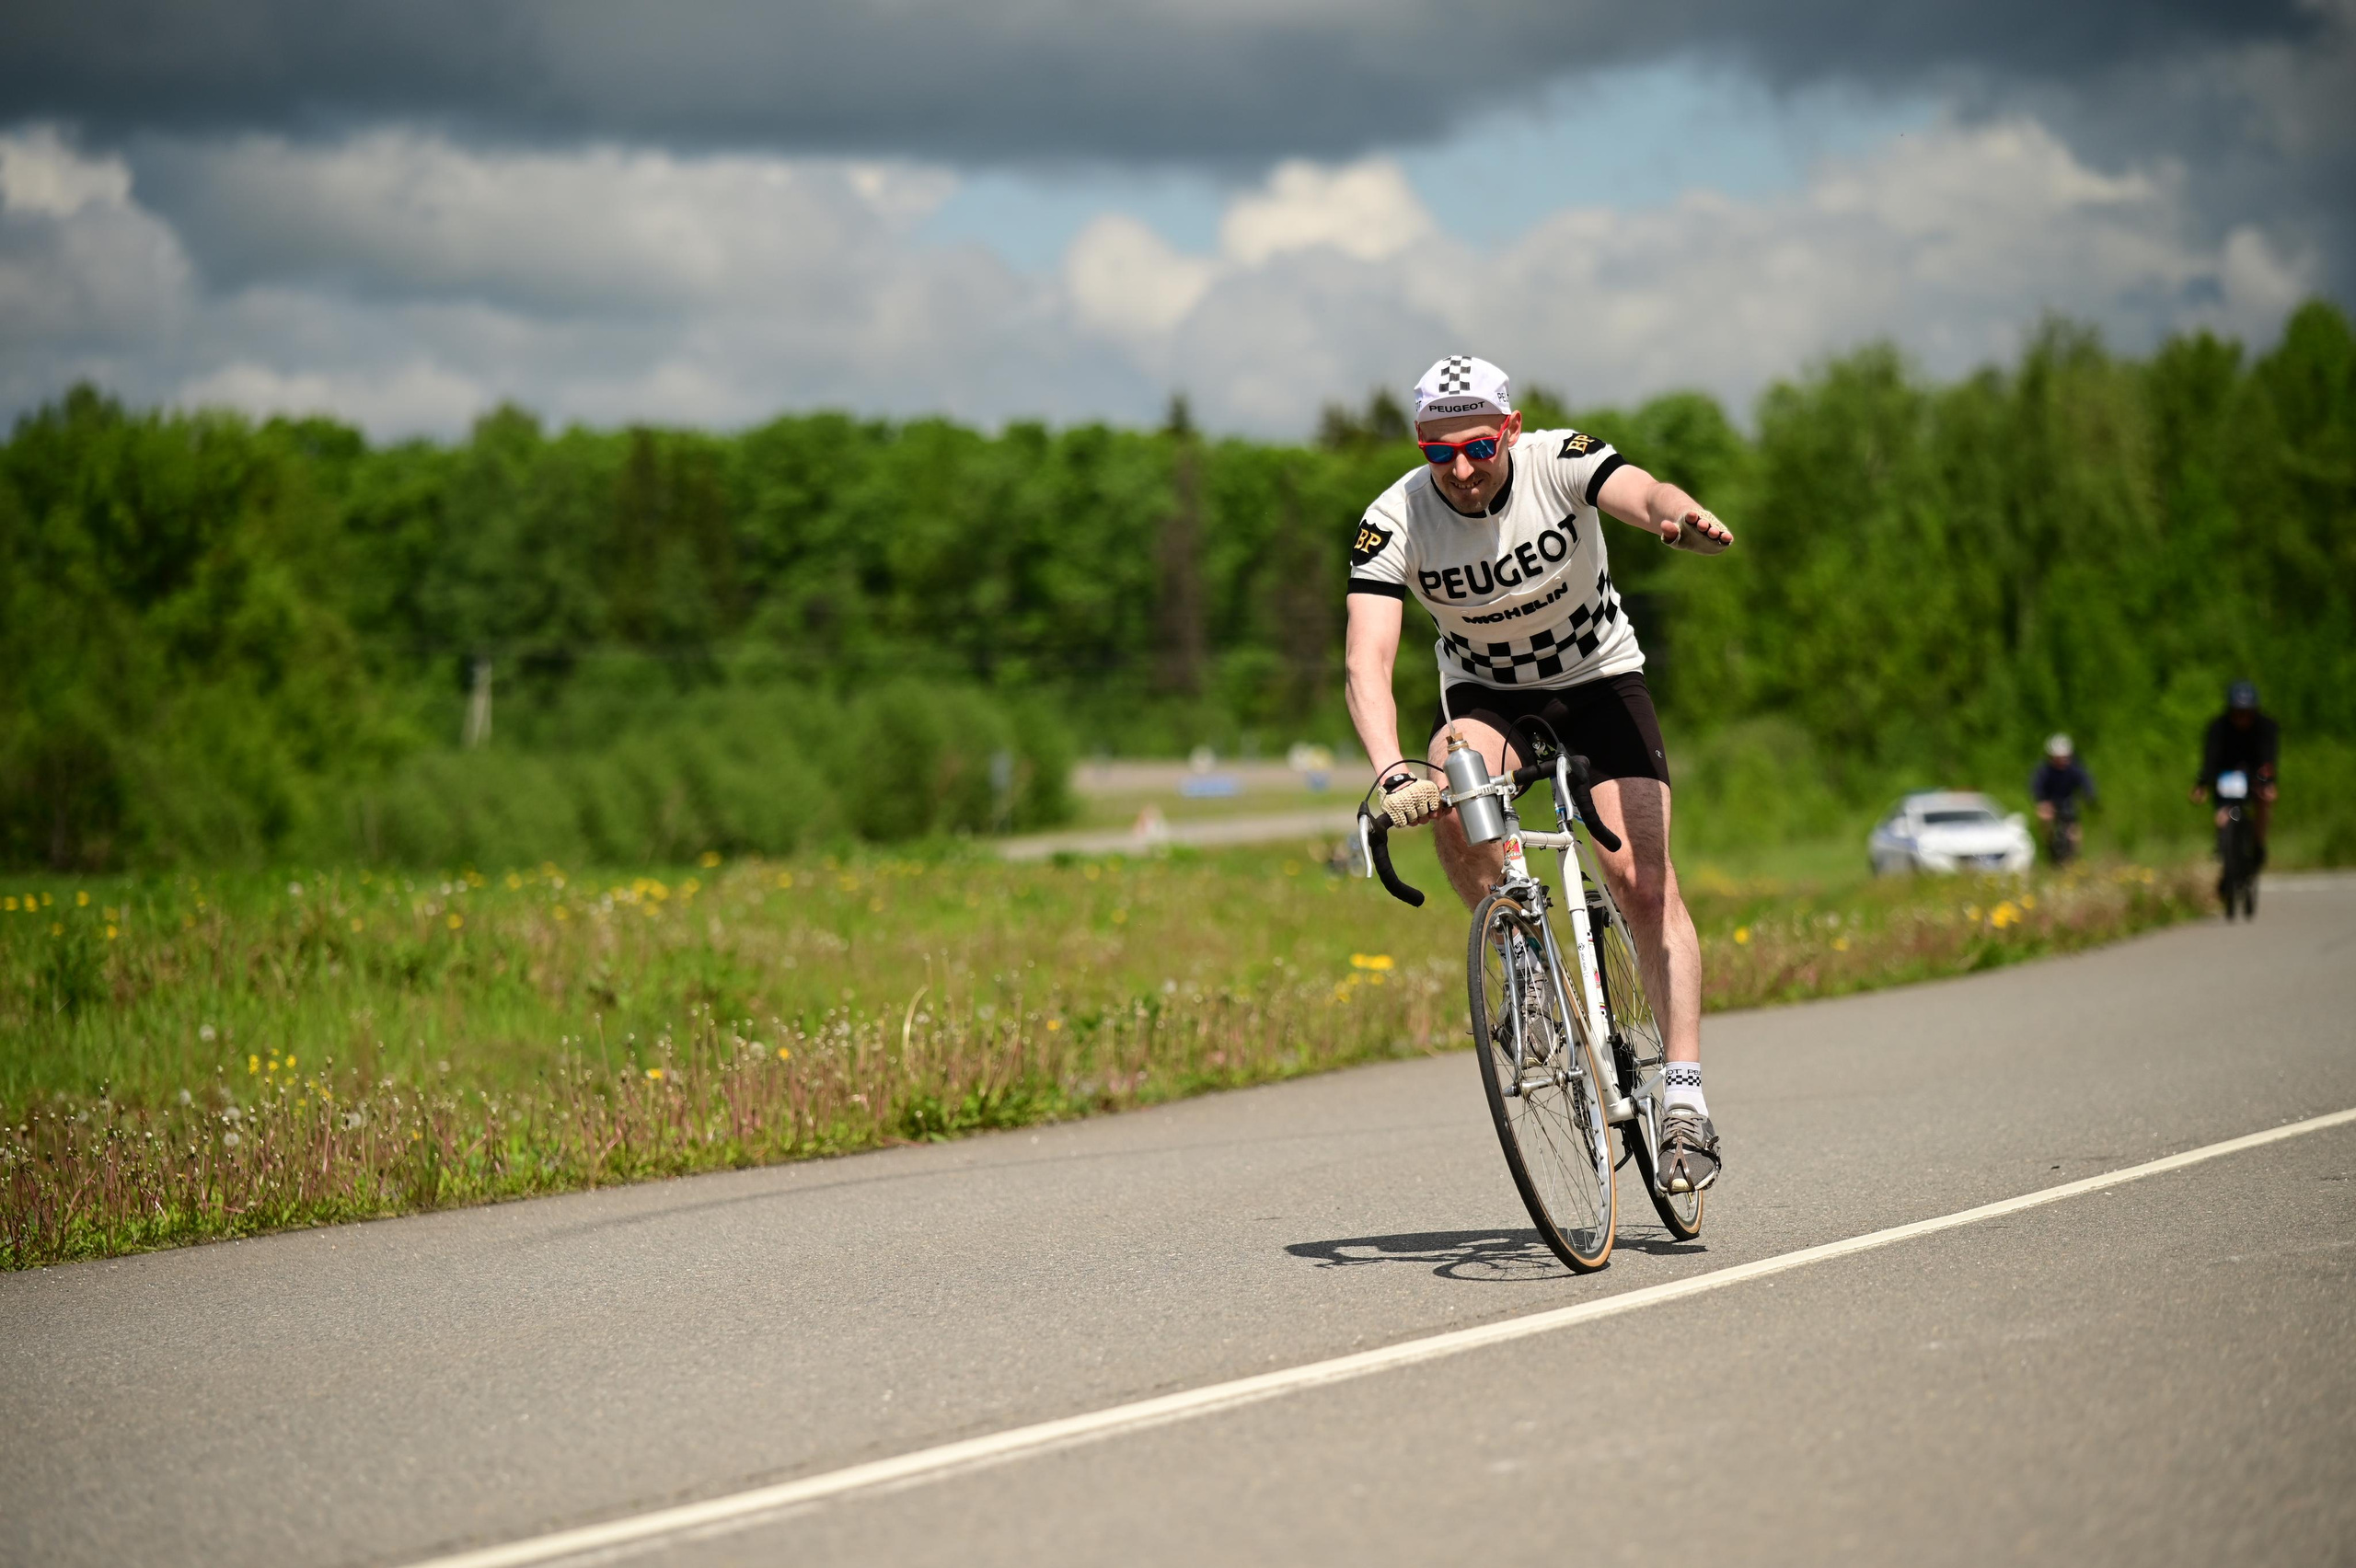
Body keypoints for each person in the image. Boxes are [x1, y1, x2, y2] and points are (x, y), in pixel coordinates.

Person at [1344, 354, 1734, 1195]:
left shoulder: (1559, 461)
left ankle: (1686, 1102)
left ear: (1510, 431)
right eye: (1438, 451)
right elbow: (1365, 663)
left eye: (1479, 447)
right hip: (1489, 696)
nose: (1460, 468)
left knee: (1641, 882)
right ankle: (1521, 950)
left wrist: (1679, 515)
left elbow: (1642, 490)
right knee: (1453, 779)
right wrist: (1388, 773)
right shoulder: (1395, 517)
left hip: (1600, 682)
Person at [2193, 679, 2280, 869]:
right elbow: (2210, 758)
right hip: (2226, 773)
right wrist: (2202, 784)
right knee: (2223, 813)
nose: (2242, 718)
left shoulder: (2266, 726)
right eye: (2237, 713)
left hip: (2255, 771)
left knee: (2264, 800)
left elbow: (2268, 757)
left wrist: (2269, 781)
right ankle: (2224, 847)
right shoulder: (2218, 727)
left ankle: (2258, 844)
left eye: (2246, 713)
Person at [2029, 733, 2096, 860]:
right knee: (2044, 816)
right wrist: (2042, 801)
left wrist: (2089, 795)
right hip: (2050, 802)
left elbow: (2085, 781)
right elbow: (2036, 785)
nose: (2062, 760)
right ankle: (2049, 844)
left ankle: (2075, 856)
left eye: (2064, 757)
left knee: (2074, 829)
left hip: (2068, 801)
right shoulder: (2045, 770)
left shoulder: (2074, 768)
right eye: (2058, 757)